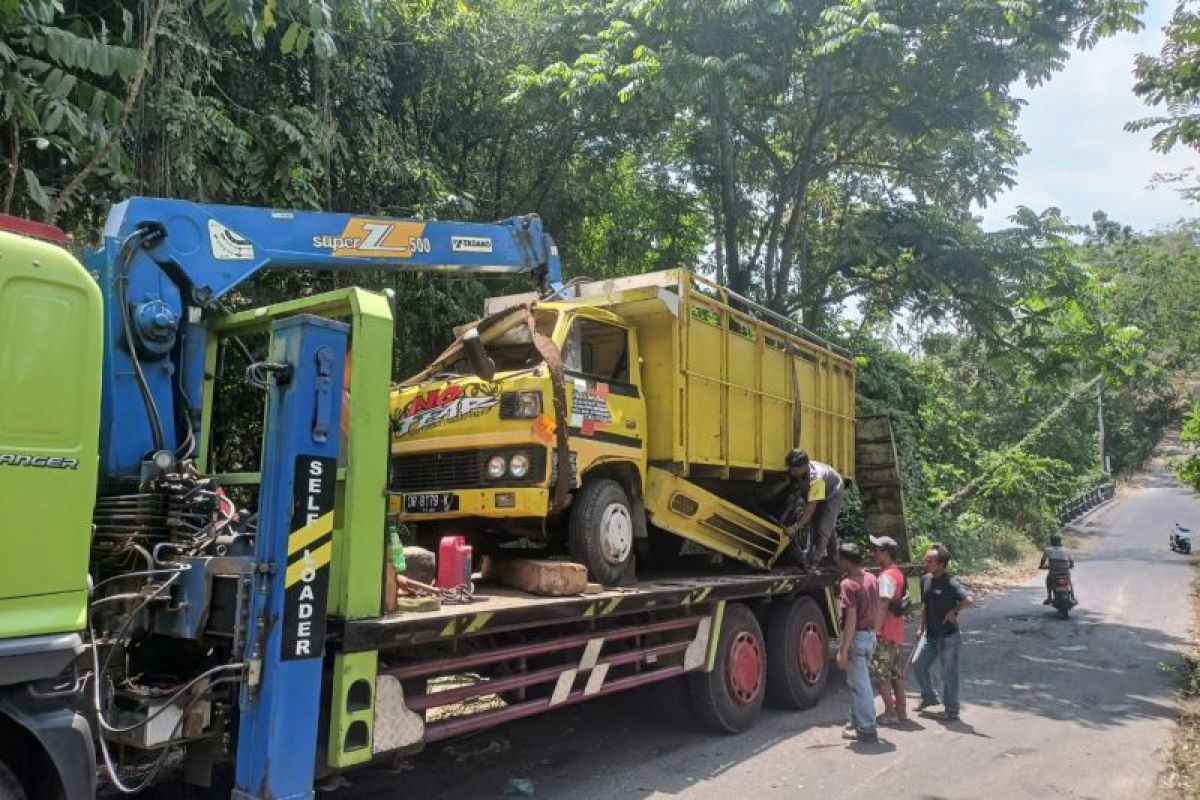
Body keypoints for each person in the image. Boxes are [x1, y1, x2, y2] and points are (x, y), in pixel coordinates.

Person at [912, 543, 973, 722]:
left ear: (940, 564)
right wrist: (920, 627)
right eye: (926, 559)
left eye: (929, 560)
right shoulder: (926, 579)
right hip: (930, 635)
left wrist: (954, 611)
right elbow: (926, 605)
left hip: (949, 637)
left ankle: (951, 710)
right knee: (918, 664)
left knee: (948, 674)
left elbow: (970, 599)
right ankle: (929, 696)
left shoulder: (951, 583)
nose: (925, 563)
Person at [835, 542, 879, 742]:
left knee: (860, 685)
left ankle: (867, 728)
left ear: (845, 561)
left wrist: (844, 648)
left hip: (858, 636)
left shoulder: (848, 584)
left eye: (839, 558)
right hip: (870, 635)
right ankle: (857, 720)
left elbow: (850, 618)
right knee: (858, 682)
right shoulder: (871, 578)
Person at [779, 449, 845, 570]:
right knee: (819, 525)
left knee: (823, 529)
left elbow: (811, 507)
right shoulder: (797, 472)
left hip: (833, 493)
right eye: (790, 469)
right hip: (817, 492)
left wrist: (795, 527)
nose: (791, 472)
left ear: (804, 467)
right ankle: (834, 559)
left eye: (794, 470)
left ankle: (814, 563)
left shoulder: (816, 479)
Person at [870, 535, 908, 726]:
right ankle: (901, 710)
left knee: (880, 674)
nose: (873, 554)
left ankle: (890, 713)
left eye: (876, 551)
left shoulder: (885, 577)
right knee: (896, 673)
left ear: (885, 553)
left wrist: (875, 631)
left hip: (885, 632)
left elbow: (883, 604)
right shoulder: (897, 573)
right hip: (897, 632)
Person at [1039, 533, 1075, 605]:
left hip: (1053, 573)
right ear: (1060, 541)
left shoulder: (1048, 549)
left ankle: (1049, 597)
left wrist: (1041, 566)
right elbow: (1071, 562)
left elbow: (1043, 560)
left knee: (1048, 581)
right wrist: (1070, 566)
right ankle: (1073, 598)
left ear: (1051, 541)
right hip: (1065, 573)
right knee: (1069, 582)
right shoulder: (1067, 550)